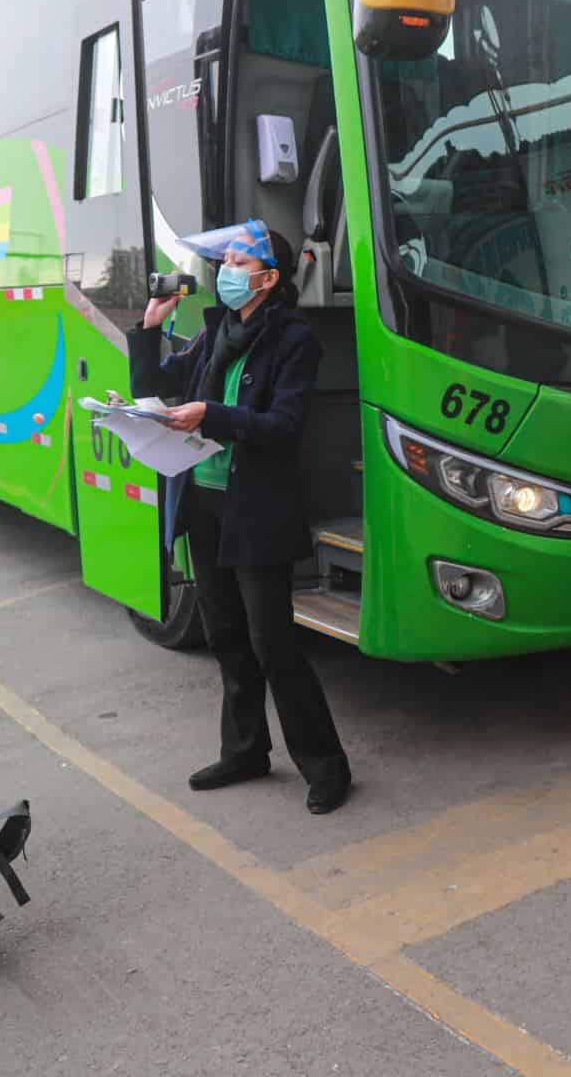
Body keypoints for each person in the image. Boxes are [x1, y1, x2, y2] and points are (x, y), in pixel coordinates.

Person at [127, 220, 351, 815]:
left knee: (272, 642)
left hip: (257, 508)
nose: (224, 271)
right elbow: (155, 383)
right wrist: (150, 329)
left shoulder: (293, 341)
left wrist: (213, 415)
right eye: (222, 261)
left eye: (237, 263)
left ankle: (326, 766)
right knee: (225, 634)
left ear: (268, 278)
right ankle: (246, 749)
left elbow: (284, 428)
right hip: (204, 501)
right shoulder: (215, 332)